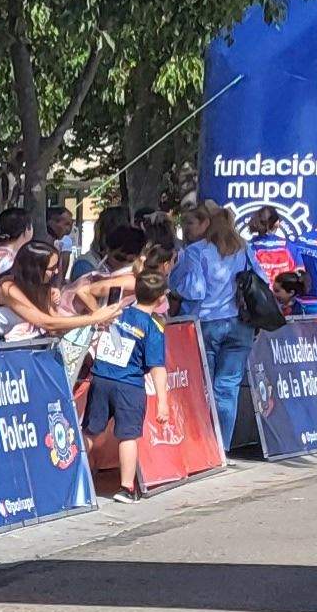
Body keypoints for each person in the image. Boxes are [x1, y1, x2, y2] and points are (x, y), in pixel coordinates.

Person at [171, 202, 251, 448]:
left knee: (203, 385)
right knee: (228, 386)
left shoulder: (196, 251)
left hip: (206, 323)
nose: (187, 229)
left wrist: (175, 284)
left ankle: (205, 444)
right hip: (240, 323)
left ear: (207, 223)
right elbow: (262, 279)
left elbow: (195, 290)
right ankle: (222, 445)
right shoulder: (243, 248)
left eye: (190, 223)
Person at [81, 271, 168, 497]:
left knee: (90, 432)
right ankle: (126, 488)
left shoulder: (117, 312)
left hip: (100, 379)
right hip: (129, 386)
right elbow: (157, 367)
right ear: (161, 298)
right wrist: (162, 402)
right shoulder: (152, 328)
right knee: (128, 436)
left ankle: (72, 477)